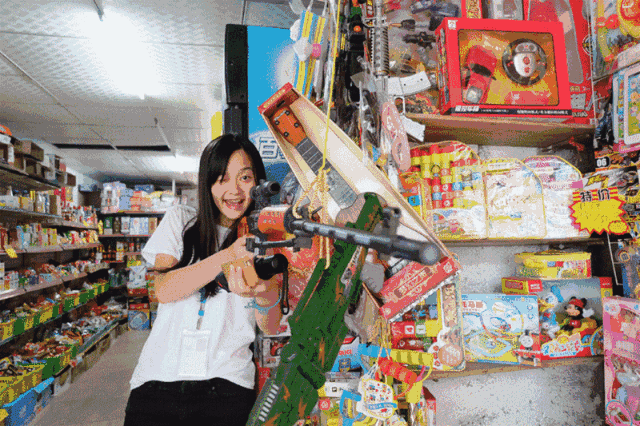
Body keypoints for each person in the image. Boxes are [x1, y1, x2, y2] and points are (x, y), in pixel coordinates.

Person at [123, 134, 283, 425]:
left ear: (258, 182)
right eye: (222, 179)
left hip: (226, 387)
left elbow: (270, 326)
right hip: (156, 382)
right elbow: (163, 289)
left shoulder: (268, 240)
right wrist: (228, 255)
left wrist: (265, 293)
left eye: (245, 178)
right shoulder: (181, 220)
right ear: (207, 183)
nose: (234, 190)